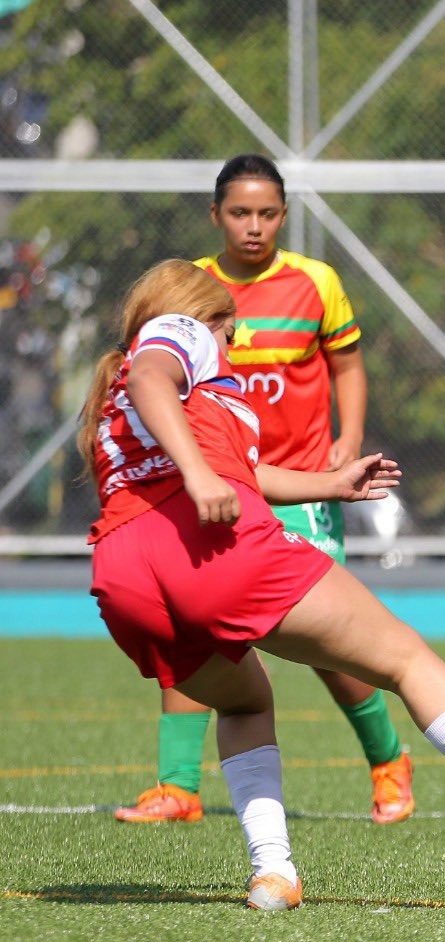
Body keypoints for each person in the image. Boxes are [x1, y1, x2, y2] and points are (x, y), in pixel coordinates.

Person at [83, 259, 445, 909]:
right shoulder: (180, 334)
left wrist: (332, 484)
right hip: (210, 545)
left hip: (124, 579)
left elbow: (248, 471)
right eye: (233, 334)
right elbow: (155, 381)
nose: (235, 346)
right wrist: (199, 477)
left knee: (246, 701)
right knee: (407, 658)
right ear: (211, 318)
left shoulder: (124, 395)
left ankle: (273, 872)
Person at [114, 155, 415, 827]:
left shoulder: (316, 284)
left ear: (284, 215)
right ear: (215, 216)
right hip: (218, 489)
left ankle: (388, 760)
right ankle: (179, 786)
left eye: (269, 213)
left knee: (329, 645)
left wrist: (350, 437)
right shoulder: (190, 293)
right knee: (190, 625)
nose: (255, 226)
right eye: (240, 213)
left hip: (302, 484)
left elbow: (348, 364)